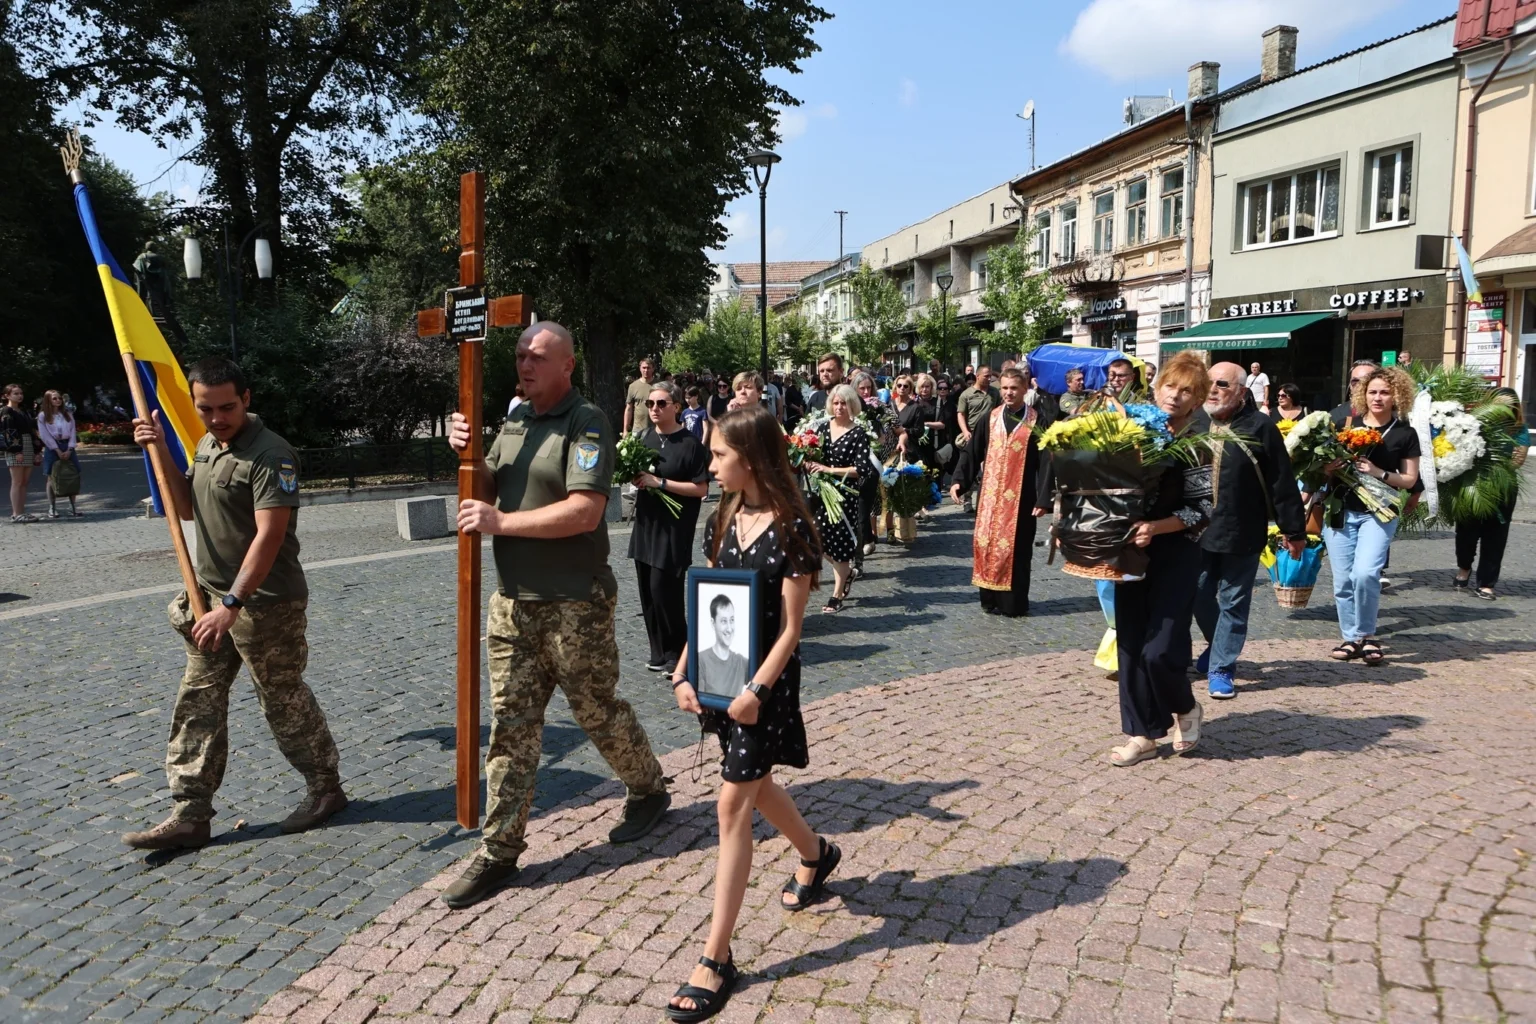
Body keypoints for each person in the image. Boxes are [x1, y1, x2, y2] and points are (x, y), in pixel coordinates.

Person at [443, 322, 669, 907]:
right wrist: (466, 451)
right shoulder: (515, 420)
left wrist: (500, 525)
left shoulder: (586, 422)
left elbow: (585, 512)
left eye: (537, 356)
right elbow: (488, 487)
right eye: (520, 355)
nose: (524, 364)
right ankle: (499, 850)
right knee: (510, 724)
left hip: (575, 601)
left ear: (566, 365)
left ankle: (647, 787)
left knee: (595, 709)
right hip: (512, 601)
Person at [121, 357, 346, 850]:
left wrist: (233, 603)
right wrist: (159, 449)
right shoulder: (206, 445)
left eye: (226, 407)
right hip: (209, 603)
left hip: (265, 604)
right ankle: (190, 812)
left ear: (246, 399)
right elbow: (186, 508)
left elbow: (269, 537)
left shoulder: (272, 455)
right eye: (206, 408)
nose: (217, 417)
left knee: (282, 700)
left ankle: (326, 789)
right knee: (196, 700)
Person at [667, 404, 833, 1022]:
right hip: (723, 682)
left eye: (718, 456)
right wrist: (685, 667)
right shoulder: (725, 516)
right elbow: (709, 599)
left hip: (766, 690)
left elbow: (791, 631)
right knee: (757, 789)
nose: (711, 465)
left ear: (752, 458)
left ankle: (715, 958)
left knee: (732, 801)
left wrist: (757, 693)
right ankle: (817, 855)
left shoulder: (794, 528)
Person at [1109, 352, 1213, 767]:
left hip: (1176, 551)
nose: (1176, 395)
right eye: (1171, 386)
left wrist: (1157, 526)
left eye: (1187, 390)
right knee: (1131, 644)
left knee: (1161, 648)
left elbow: (1203, 510)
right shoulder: (1132, 430)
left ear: (1197, 399)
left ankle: (1186, 708)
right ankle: (1142, 734)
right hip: (1129, 548)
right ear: (1157, 388)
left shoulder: (1197, 444)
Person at [1194, 364, 1307, 700]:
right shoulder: (1195, 421)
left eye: (1222, 384)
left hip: (1242, 530)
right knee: (1197, 593)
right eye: (1208, 382)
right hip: (1195, 530)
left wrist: (1293, 530)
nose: (1212, 389)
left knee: (1233, 601)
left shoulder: (1260, 426)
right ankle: (1217, 647)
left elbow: (1281, 480)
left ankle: (1221, 667)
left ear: (1242, 391)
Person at [1322, 367, 1419, 666]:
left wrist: (1379, 473)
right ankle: (1351, 638)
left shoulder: (1405, 432)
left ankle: (1367, 634)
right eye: (1373, 391)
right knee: (1343, 580)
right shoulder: (1343, 423)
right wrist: (1329, 467)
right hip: (1340, 511)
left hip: (1379, 513)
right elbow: (1319, 470)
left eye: (1385, 392)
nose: (1378, 397)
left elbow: (1410, 480)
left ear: (1397, 396)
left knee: (1365, 574)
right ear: (1363, 394)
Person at [950, 366, 1051, 617]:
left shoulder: (1037, 420)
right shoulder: (991, 416)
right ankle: (989, 599)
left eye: (1014, 388)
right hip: (990, 498)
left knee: (1016, 550)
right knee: (986, 544)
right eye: (1004, 388)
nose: (1008, 393)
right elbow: (973, 450)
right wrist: (959, 481)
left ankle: (1013, 603)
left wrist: (1043, 497)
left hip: (1022, 497)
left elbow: (1048, 461)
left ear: (1024, 389)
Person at [630, 381, 712, 674]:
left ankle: (681, 651)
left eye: (661, 403)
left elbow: (701, 488)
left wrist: (660, 483)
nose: (654, 408)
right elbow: (638, 476)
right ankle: (659, 652)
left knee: (664, 589)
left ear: (676, 407)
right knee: (647, 592)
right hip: (646, 523)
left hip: (674, 527)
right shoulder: (643, 438)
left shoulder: (690, 444)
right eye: (650, 403)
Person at [1454, 388, 1525, 600]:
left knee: (1495, 537)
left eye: (1507, 406)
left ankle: (1486, 583)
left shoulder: (1518, 429)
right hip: (1471, 485)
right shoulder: (1474, 424)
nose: (1502, 410)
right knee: (1466, 533)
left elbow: (1518, 460)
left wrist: (1495, 471)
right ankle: (1464, 567)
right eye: (1497, 404)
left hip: (1502, 488)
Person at [804, 383, 867, 611]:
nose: (839, 407)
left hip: (845, 496)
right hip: (823, 494)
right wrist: (808, 462)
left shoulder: (858, 433)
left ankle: (837, 593)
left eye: (844, 403)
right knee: (816, 540)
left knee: (839, 546)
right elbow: (814, 455)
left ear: (852, 405)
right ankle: (848, 572)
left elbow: (861, 469)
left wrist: (829, 470)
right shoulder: (822, 429)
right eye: (836, 402)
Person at [853, 371, 895, 551]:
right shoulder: (849, 406)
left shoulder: (879, 405)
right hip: (855, 458)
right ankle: (868, 535)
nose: (865, 391)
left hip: (877, 456)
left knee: (876, 496)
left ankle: (873, 534)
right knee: (863, 502)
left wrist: (898, 437)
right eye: (861, 388)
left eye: (868, 388)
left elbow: (895, 424)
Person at [954, 367, 999, 513]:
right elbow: (961, 414)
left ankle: (988, 498)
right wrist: (965, 431)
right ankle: (967, 500)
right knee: (970, 465)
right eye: (986, 376)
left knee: (988, 468)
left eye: (990, 376)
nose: (988, 378)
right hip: (972, 434)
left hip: (991, 434)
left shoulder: (994, 392)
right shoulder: (967, 394)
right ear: (978, 376)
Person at [37, 389, 83, 518]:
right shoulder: (43, 416)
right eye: (54, 398)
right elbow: (44, 434)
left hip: (67, 444)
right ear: (48, 400)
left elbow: (73, 431)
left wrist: (70, 448)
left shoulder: (67, 414)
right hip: (53, 446)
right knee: (51, 476)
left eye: (59, 398)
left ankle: (73, 506)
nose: (58, 400)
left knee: (73, 473)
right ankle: (52, 507)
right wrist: (56, 449)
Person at [3, 383, 44, 523]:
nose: (19, 396)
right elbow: (8, 432)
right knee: (17, 481)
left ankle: (22, 511)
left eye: (20, 393)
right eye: (15, 393)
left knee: (24, 482)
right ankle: (16, 513)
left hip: (28, 445)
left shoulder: (24, 411)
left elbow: (32, 430)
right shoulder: (6, 411)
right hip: (16, 447)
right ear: (7, 395)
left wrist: (37, 449)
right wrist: (16, 450)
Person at [697, 594, 750, 698]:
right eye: (723, 621)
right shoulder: (701, 659)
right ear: (713, 623)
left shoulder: (742, 662)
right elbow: (701, 700)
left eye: (732, 620)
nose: (729, 628)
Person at [1330, 361, 1379, 426]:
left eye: (1367, 380)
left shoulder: (1390, 416)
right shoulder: (1336, 416)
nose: (1360, 385)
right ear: (1350, 385)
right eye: (1355, 381)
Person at [622, 357, 658, 435]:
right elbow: (629, 408)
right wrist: (625, 429)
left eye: (648, 368)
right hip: (638, 430)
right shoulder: (633, 386)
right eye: (644, 368)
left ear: (653, 369)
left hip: (657, 428)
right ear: (640, 368)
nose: (646, 370)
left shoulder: (659, 385)